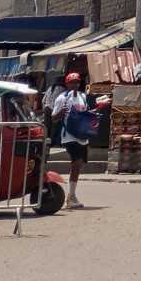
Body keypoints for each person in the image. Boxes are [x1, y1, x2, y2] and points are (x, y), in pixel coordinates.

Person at [51, 70, 95, 207]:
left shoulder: (83, 97)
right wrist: (61, 112)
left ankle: (72, 195)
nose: (75, 85)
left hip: (82, 136)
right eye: (72, 82)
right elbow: (53, 118)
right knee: (77, 162)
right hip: (69, 136)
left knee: (78, 165)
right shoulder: (62, 98)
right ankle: (71, 197)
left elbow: (86, 113)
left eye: (77, 82)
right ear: (67, 84)